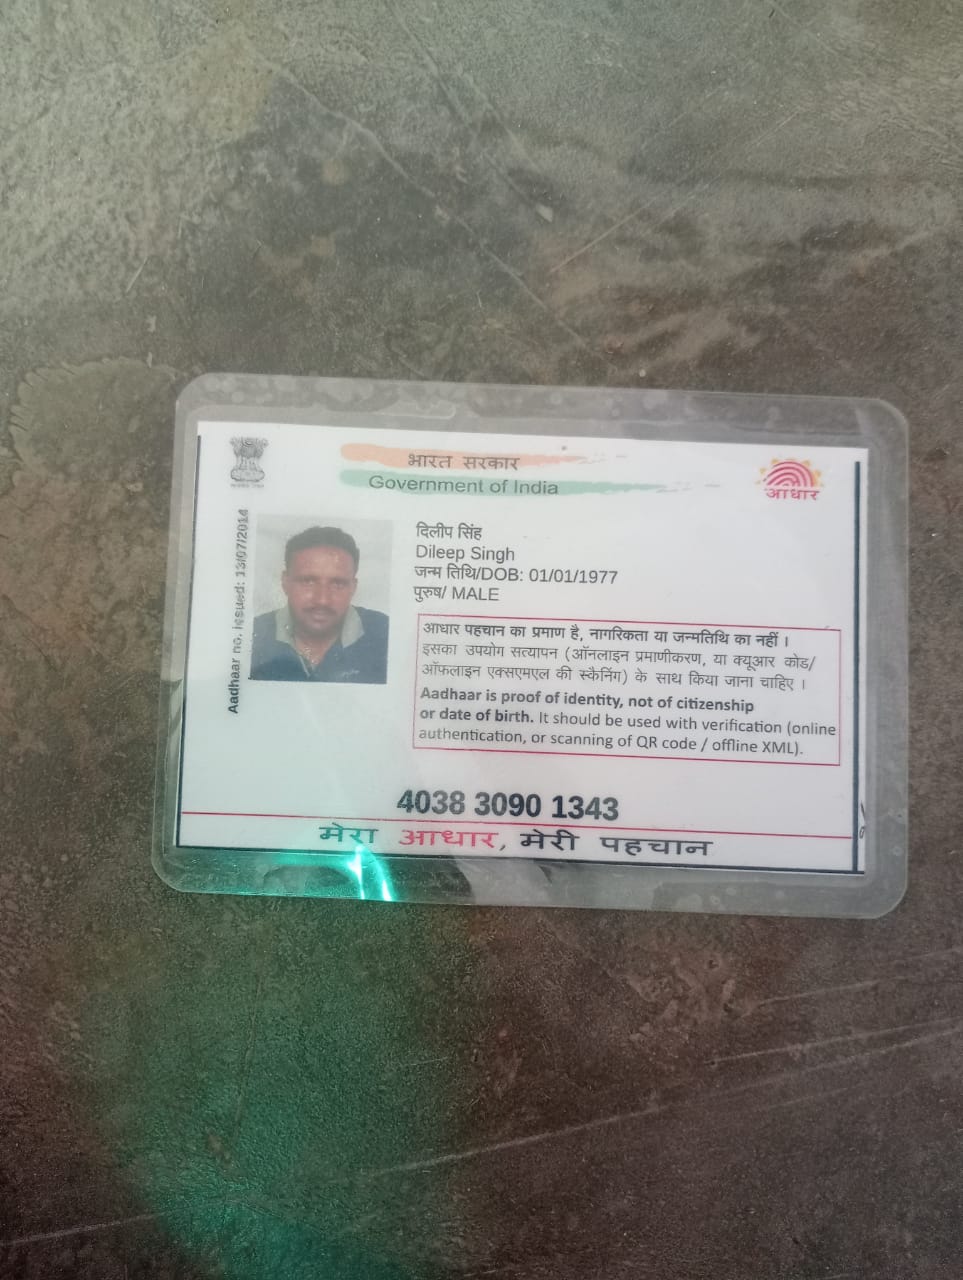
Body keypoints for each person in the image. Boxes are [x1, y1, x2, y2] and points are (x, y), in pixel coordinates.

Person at [250, 526, 389, 683]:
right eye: (308, 581)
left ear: (353, 588)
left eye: (337, 584)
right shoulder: (251, 635)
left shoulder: (386, 634)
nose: (322, 600)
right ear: (285, 582)